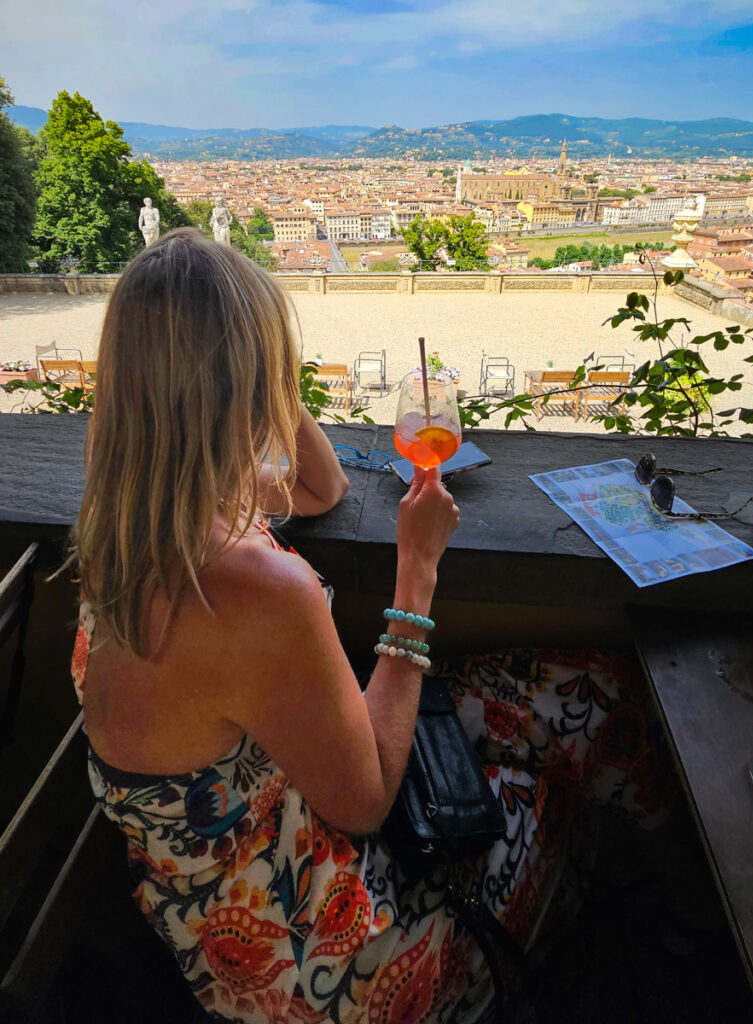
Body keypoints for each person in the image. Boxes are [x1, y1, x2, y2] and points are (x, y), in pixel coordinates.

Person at [71, 228, 670, 1024]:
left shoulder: (133, 517)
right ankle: (657, 931)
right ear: (240, 386)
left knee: (585, 688)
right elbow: (365, 804)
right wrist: (416, 569)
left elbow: (316, 490)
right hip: (320, 957)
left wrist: (269, 382)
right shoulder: (251, 586)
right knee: (556, 782)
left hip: (223, 907)